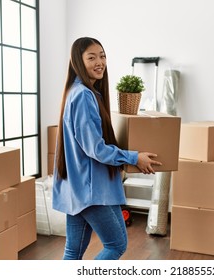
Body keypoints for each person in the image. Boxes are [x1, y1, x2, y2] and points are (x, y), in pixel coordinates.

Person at [52, 37, 162, 260]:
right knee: (116, 245)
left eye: (102, 56)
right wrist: (133, 158)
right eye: (91, 57)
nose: (99, 62)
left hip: (78, 188)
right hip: (92, 190)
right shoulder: (83, 95)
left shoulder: (78, 92)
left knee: (73, 252)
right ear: (77, 62)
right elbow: (96, 149)